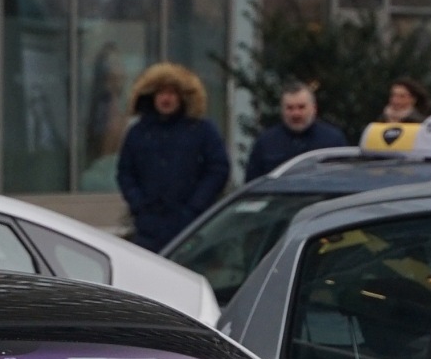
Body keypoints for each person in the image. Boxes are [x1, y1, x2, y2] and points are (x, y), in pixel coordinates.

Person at [115, 62, 230, 252]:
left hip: (191, 225)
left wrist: (195, 206)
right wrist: (139, 205)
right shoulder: (138, 132)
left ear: (182, 97)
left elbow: (218, 169)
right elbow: (125, 172)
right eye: (160, 93)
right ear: (151, 96)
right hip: (148, 226)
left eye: (171, 93)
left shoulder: (202, 130)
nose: (165, 99)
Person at [244, 82, 347, 182]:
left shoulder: (333, 141)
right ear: (282, 110)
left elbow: (344, 179)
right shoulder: (266, 143)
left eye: (301, 107)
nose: (296, 114)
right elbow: (252, 184)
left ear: (314, 108)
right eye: (290, 108)